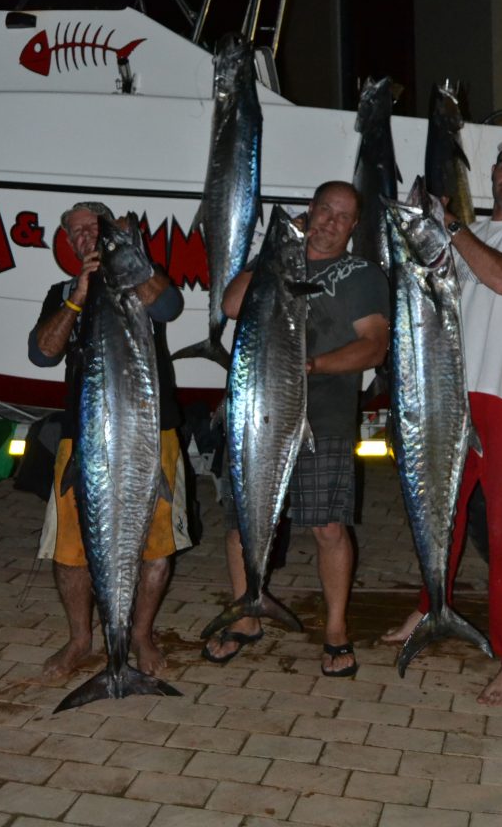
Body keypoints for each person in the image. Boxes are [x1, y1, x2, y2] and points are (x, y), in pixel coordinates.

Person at [382, 136, 502, 705]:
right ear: (492, 173)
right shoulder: (472, 235)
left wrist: (452, 226)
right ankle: (429, 608)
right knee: (440, 512)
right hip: (450, 396)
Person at [202, 181, 390, 676]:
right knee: (242, 526)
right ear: (311, 210)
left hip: (322, 415)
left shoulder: (362, 274)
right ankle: (248, 612)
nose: (329, 221)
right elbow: (231, 306)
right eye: (323, 209)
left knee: (327, 525)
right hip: (257, 413)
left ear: (353, 227)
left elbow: (374, 347)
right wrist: (274, 250)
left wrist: (312, 365)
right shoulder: (278, 258)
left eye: (342, 216)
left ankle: (335, 629)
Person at [29, 201, 190, 681]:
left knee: (157, 547)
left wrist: (128, 260)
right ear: (68, 242)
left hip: (149, 433)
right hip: (86, 443)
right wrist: (78, 296)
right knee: (70, 551)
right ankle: (82, 639)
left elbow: (169, 306)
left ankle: (137, 636)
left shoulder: (141, 282)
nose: (85, 236)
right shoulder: (62, 292)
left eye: (92, 227)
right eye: (75, 231)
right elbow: (41, 354)